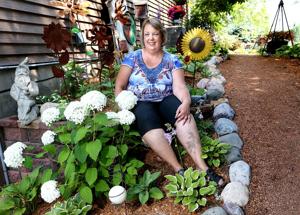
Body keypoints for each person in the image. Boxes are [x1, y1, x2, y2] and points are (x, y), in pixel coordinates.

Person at [115, 17, 224, 186]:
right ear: (142, 37)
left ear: (162, 37)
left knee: (184, 117)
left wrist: (186, 102)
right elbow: (120, 86)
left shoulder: (172, 59)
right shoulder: (132, 58)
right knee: (146, 120)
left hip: (166, 98)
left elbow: (179, 87)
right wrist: (123, 105)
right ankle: (178, 169)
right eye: (147, 34)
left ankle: (204, 168)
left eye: (155, 34)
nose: (151, 38)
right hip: (140, 101)